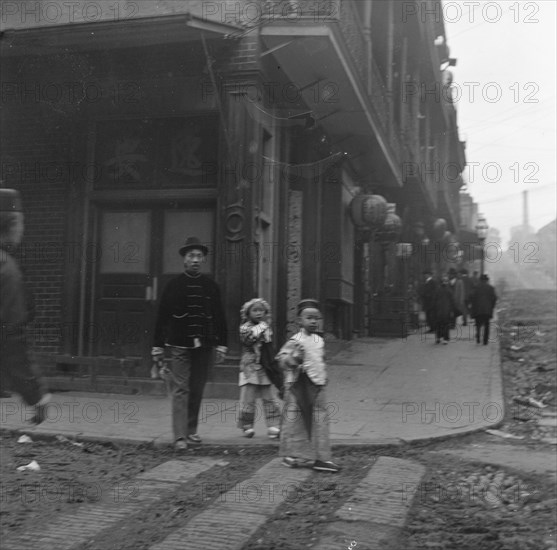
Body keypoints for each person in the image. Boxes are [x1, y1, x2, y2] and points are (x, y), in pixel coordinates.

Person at [151, 236, 228, 451]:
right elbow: (162, 317)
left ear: (203, 260)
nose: (195, 260)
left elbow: (220, 316)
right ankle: (179, 437)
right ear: (184, 259)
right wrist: (157, 346)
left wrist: (222, 344)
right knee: (181, 389)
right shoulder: (173, 286)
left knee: (197, 388)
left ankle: (191, 430)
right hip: (179, 344)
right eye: (191, 256)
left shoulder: (210, 286)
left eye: (199, 256)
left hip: (204, 345)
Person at [0, 188, 51, 423]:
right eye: (21, 221)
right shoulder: (6, 269)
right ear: (11, 224)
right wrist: (36, 395)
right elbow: (12, 338)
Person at [276, 299, 340, 473]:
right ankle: (292, 453)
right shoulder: (295, 340)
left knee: (320, 419)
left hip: (317, 385)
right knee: (295, 420)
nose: (313, 321)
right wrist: (293, 360)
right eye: (309, 318)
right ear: (299, 321)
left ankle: (322, 457)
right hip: (298, 386)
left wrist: (323, 375)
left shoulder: (319, 340)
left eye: (316, 318)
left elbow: (320, 360)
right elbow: (282, 359)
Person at [237, 298, 281, 439]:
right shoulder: (245, 327)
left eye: (261, 310)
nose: (258, 313)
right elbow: (248, 340)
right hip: (249, 366)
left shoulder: (266, 327)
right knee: (248, 398)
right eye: (254, 310)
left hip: (264, 366)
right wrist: (262, 327)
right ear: (248, 313)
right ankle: (247, 426)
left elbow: (269, 346)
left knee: (268, 396)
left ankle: (273, 425)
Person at [470, 274, 497, 345]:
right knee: (486, 325)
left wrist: (472, 305)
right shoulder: (491, 288)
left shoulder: (475, 287)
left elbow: (471, 297)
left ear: (480, 280)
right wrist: (492, 306)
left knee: (478, 323)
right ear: (487, 280)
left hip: (477, 309)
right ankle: (485, 341)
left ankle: (478, 336)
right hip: (487, 310)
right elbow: (494, 298)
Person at [433, 274, 456, 344]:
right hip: (446, 311)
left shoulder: (437, 290)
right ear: (447, 282)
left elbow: (434, 300)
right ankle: (445, 339)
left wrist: (435, 309)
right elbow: (452, 301)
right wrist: (452, 311)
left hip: (439, 311)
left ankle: (438, 338)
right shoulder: (449, 290)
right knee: (446, 324)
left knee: (438, 324)